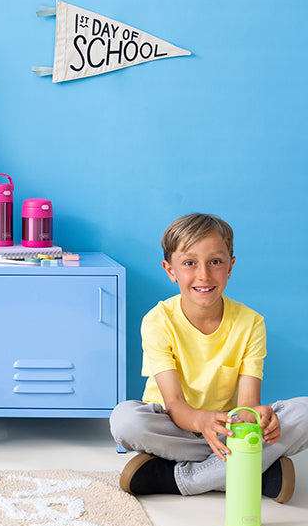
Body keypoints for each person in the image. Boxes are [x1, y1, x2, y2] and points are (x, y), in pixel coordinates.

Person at [110, 213, 308, 500]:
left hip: (228, 429)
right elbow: (174, 405)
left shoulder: (251, 323)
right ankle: (249, 467)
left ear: (230, 267)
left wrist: (260, 418)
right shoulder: (157, 321)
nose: (203, 275)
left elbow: (246, 406)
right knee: (125, 420)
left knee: (304, 412)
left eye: (215, 262)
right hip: (173, 426)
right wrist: (202, 422)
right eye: (190, 263)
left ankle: (181, 477)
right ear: (170, 270)